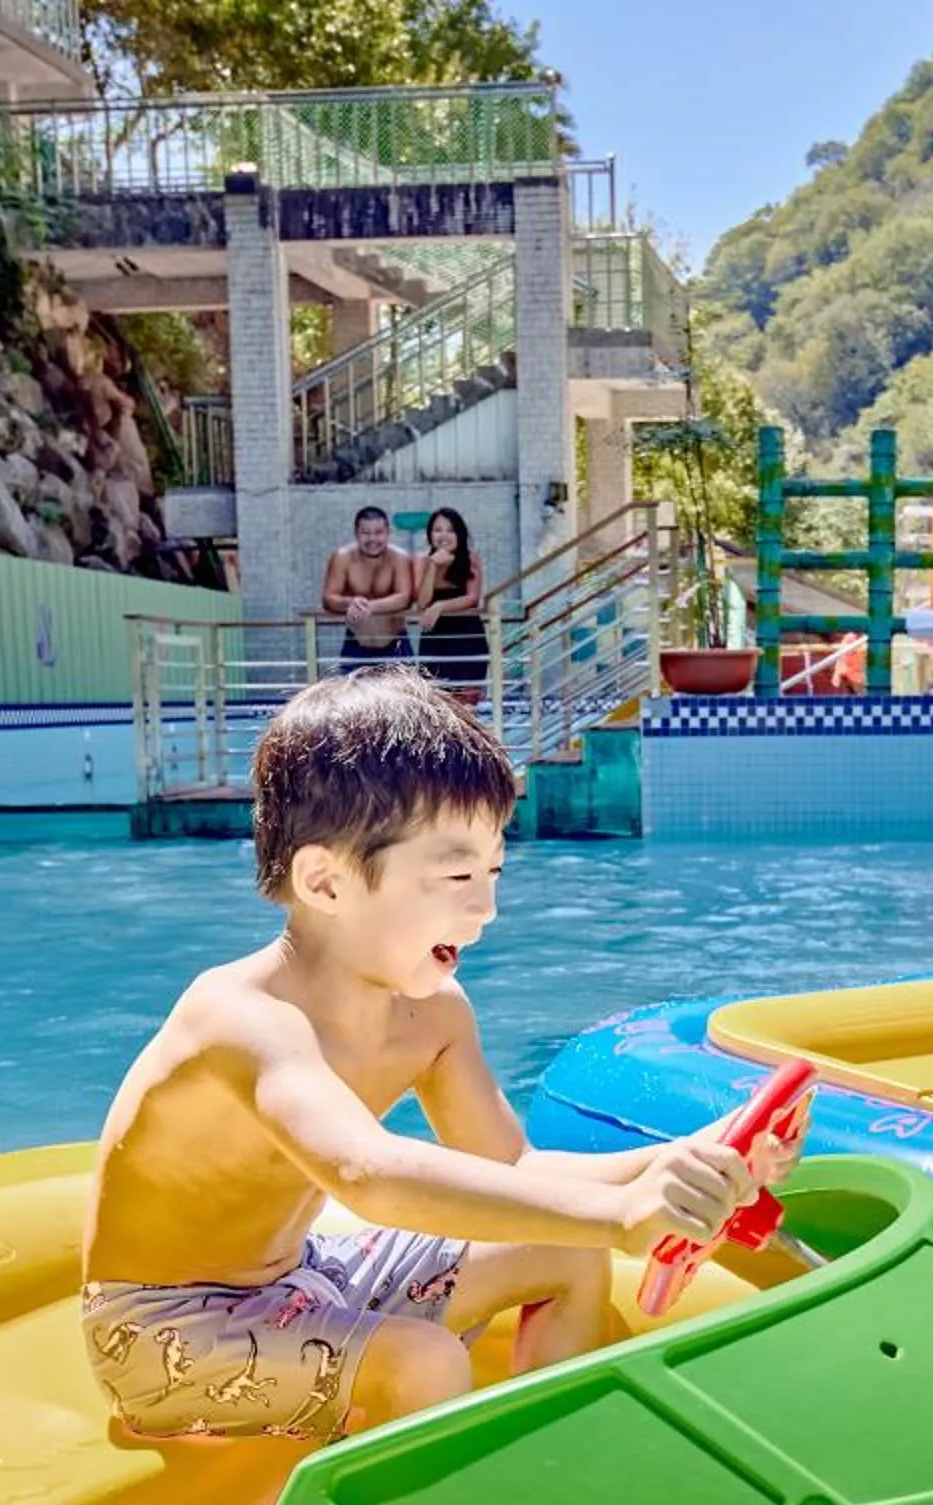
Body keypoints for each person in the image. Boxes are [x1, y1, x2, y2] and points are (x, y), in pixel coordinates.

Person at [82, 672, 796, 1445]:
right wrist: (620, 1211)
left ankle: (558, 1461)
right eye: (457, 876)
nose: (486, 907)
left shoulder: (434, 1015)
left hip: (302, 1272)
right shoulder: (245, 1021)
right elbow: (367, 1175)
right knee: (420, 1359)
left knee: (569, 1250)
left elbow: (513, 1168)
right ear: (325, 882)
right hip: (162, 1327)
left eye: (493, 873)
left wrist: (689, 1156)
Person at [320, 507, 413, 670]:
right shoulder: (342, 558)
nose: (372, 539)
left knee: (403, 695)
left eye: (378, 532)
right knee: (352, 695)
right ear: (356, 534)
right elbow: (329, 598)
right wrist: (350, 602)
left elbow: (404, 597)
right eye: (365, 533)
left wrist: (367, 606)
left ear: (388, 533)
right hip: (356, 646)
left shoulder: (400, 558)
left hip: (395, 645)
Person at [409, 506, 491, 692]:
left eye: (450, 530)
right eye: (437, 530)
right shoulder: (422, 561)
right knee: (437, 706)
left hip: (467, 638)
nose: (443, 535)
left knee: (466, 705)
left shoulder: (471, 558)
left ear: (459, 534)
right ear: (430, 534)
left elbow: (472, 598)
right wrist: (433, 566)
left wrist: (440, 606)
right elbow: (422, 602)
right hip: (435, 641)